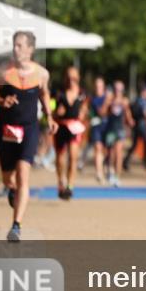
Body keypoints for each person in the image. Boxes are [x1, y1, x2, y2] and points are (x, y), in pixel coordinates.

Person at [0, 31, 56, 242]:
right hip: (7, 129)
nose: (16, 49)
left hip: (29, 128)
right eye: (15, 45)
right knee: (7, 178)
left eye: (21, 45)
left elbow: (44, 94)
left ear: (31, 49)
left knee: (23, 172)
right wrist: (0, 101)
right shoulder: (3, 71)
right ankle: (11, 190)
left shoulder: (42, 74)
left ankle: (16, 226)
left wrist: (49, 116)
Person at [53, 66, 87, 199]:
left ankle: (70, 186)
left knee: (73, 157)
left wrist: (83, 113)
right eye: (68, 77)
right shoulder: (59, 93)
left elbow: (85, 109)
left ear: (78, 78)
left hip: (75, 128)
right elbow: (51, 112)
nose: (71, 80)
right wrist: (57, 112)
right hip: (61, 127)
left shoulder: (82, 94)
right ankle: (61, 181)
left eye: (74, 77)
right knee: (60, 159)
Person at [105, 80, 134, 186]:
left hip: (120, 129)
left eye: (120, 89)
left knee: (119, 153)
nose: (118, 91)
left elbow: (127, 113)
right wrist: (107, 104)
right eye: (116, 89)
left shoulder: (125, 101)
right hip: (111, 129)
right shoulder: (110, 100)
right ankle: (110, 172)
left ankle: (117, 176)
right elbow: (104, 113)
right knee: (111, 153)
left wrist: (130, 120)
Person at [124, 84, 146, 174]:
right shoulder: (141, 101)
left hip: (140, 123)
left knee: (135, 144)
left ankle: (126, 161)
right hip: (140, 123)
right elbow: (143, 113)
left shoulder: (143, 100)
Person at [88, 77, 111, 183]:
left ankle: (106, 168)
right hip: (96, 126)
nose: (98, 88)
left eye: (100, 86)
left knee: (106, 150)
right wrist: (107, 101)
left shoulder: (108, 97)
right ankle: (99, 173)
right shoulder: (93, 99)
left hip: (107, 127)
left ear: (103, 87)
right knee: (98, 148)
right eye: (96, 86)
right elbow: (102, 112)